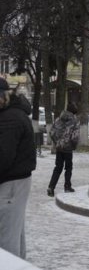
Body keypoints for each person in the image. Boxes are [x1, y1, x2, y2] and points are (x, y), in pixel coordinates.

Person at [0, 77, 36, 259]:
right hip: (16, 180)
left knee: (6, 240)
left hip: (10, 183)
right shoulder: (12, 113)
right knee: (14, 232)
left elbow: (3, 157)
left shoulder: (9, 118)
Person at [47, 102, 80, 197]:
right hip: (68, 149)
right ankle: (67, 186)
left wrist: (57, 142)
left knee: (58, 167)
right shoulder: (74, 121)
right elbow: (75, 136)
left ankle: (51, 187)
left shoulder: (59, 119)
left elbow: (52, 132)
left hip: (59, 148)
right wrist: (73, 145)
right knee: (68, 168)